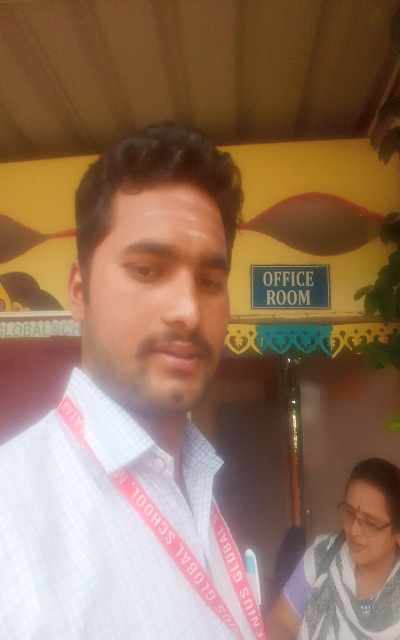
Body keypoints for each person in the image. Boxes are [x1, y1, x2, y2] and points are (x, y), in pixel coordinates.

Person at [0, 124, 266, 639]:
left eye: (210, 281)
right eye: (147, 270)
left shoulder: (198, 478)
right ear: (80, 291)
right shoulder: (11, 517)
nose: (188, 311)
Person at [268, 458, 400, 639]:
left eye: (370, 522)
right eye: (349, 513)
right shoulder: (323, 554)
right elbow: (280, 621)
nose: (353, 530)